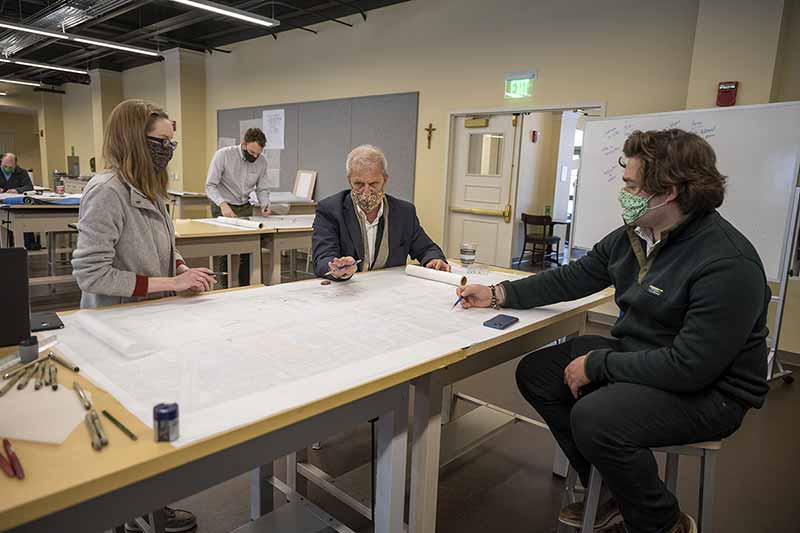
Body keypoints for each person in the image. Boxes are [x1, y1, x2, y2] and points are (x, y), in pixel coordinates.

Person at [457, 129, 770, 533]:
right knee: (538, 372)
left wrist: (600, 365)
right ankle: (611, 494)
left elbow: (690, 367)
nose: (623, 192)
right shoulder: (636, 234)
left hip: (712, 393)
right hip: (645, 356)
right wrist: (498, 293)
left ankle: (662, 521)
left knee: (596, 417)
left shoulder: (728, 262)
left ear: (668, 191)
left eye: (631, 185)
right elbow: (570, 279)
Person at [71, 99, 215, 532]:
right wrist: (171, 284)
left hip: (149, 321)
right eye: (159, 142)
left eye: (171, 142)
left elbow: (157, 248)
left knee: (154, 421)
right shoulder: (107, 190)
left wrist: (179, 267)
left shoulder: (149, 186)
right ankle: (126, 515)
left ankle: (152, 506)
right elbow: (91, 273)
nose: (167, 151)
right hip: (114, 328)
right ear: (134, 139)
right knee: (123, 426)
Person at [312, 144, 449, 279]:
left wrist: (434, 260)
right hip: (348, 290)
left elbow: (427, 248)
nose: (366, 192)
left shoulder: (404, 212)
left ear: (385, 180)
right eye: (359, 184)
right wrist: (336, 267)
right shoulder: (330, 210)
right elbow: (323, 257)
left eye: (373, 184)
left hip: (390, 290)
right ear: (349, 181)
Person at [205, 128, 273, 287]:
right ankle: (224, 287)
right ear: (243, 144)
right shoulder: (223, 155)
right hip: (222, 204)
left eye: (258, 153)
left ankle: (245, 287)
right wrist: (223, 205)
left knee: (248, 249)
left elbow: (262, 188)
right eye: (251, 152)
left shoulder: (262, 161)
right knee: (224, 250)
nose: (254, 156)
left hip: (244, 205)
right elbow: (210, 186)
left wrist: (265, 203)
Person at [0, 153, 37, 248]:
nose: (7, 169)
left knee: (24, 219)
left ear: (15, 165)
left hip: (17, 204)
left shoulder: (22, 172)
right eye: (5, 166)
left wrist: (17, 190)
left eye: (10, 167)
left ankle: (28, 243)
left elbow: (29, 187)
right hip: (1, 204)